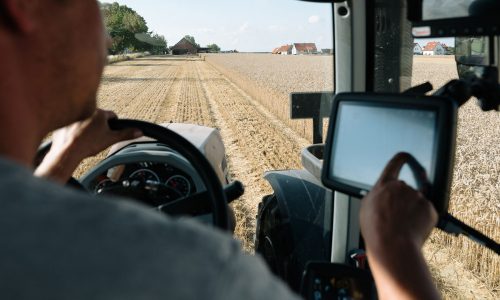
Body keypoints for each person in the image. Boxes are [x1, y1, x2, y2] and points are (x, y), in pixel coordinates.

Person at [0, 0, 440, 299]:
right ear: (28, 7)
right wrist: (397, 248)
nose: (109, 41)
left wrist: (62, 158)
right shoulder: (180, 264)